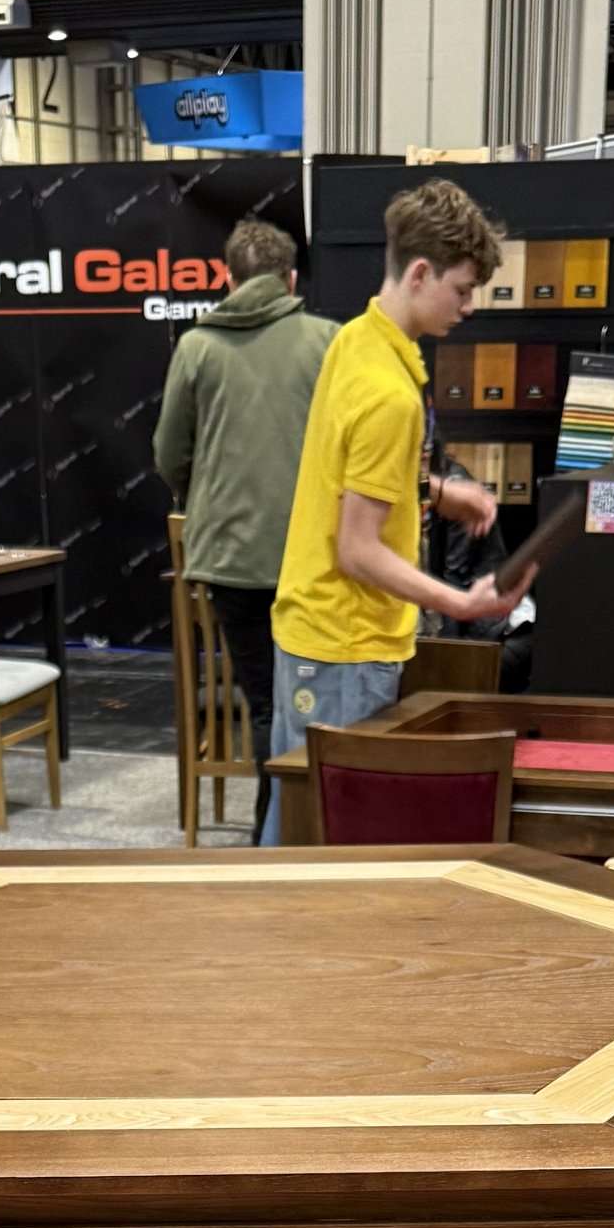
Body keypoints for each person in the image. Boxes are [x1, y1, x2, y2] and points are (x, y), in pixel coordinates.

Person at [263, 176, 523, 843]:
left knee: (298, 826)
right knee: (326, 845)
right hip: (345, 646)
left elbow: (345, 474)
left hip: (320, 635)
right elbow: (357, 550)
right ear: (420, 273)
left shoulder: (358, 340)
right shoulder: (390, 393)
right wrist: (459, 602)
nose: (468, 306)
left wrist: (434, 490)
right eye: (462, 290)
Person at [154, 215, 336, 840]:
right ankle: (308, 828)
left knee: (264, 703)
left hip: (231, 561)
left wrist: (205, 495)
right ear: (291, 279)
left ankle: (271, 833)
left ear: (228, 279)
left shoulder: (196, 347)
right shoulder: (329, 341)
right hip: (317, 559)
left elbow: (168, 453)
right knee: (314, 700)